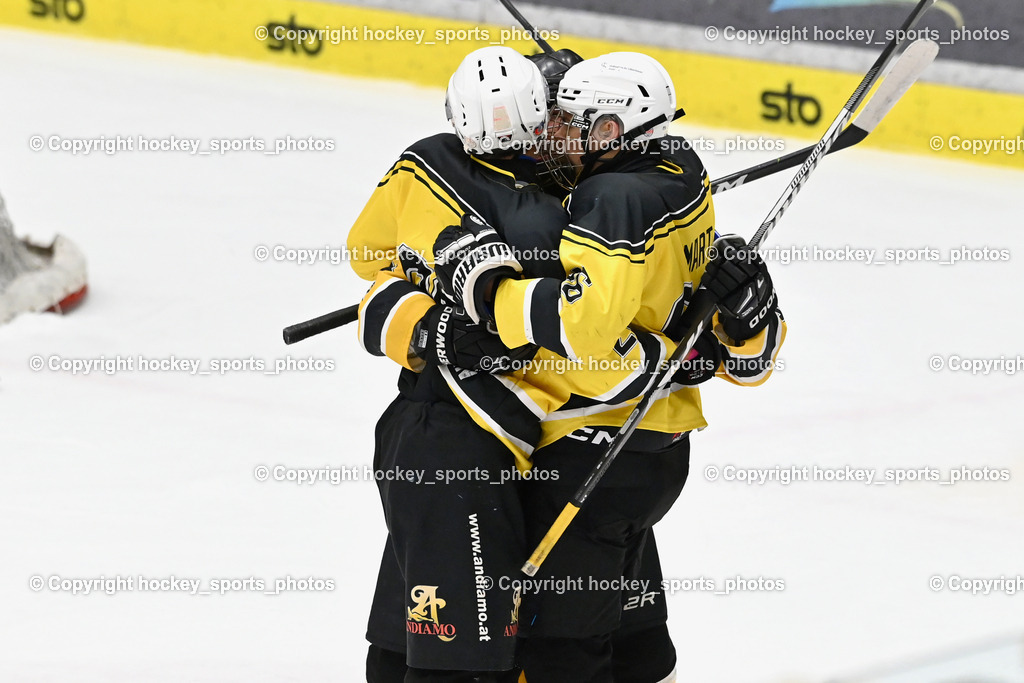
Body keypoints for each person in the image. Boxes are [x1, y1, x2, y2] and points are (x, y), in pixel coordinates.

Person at [430, 51, 787, 683]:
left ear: (610, 131)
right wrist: (713, 345)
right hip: (656, 451)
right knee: (636, 643)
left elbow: (582, 329)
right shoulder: (682, 171)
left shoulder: (611, 197)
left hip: (593, 451)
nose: (552, 133)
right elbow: (700, 326)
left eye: (569, 120)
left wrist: (485, 294)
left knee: (557, 655)